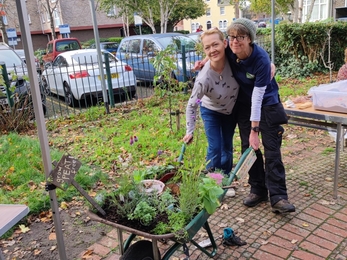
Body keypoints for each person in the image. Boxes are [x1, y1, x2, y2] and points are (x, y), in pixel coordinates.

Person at [225, 18, 295, 213]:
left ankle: (279, 196)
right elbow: (214, 52)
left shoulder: (261, 59)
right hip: (245, 104)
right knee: (249, 148)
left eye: (240, 37)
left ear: (250, 39)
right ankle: (258, 189)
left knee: (272, 149)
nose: (235, 41)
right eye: (231, 36)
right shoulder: (230, 51)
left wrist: (255, 129)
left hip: (267, 102)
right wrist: (204, 60)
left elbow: (258, 97)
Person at [183, 28, 239, 175]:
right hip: (211, 111)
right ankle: (212, 181)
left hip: (230, 110)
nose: (212, 50)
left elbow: (253, 56)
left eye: (215, 44)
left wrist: (269, 64)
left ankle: (225, 179)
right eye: (207, 47)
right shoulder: (203, 79)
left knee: (227, 146)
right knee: (215, 147)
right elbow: (191, 105)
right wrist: (190, 131)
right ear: (204, 50)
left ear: (225, 43)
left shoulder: (234, 58)